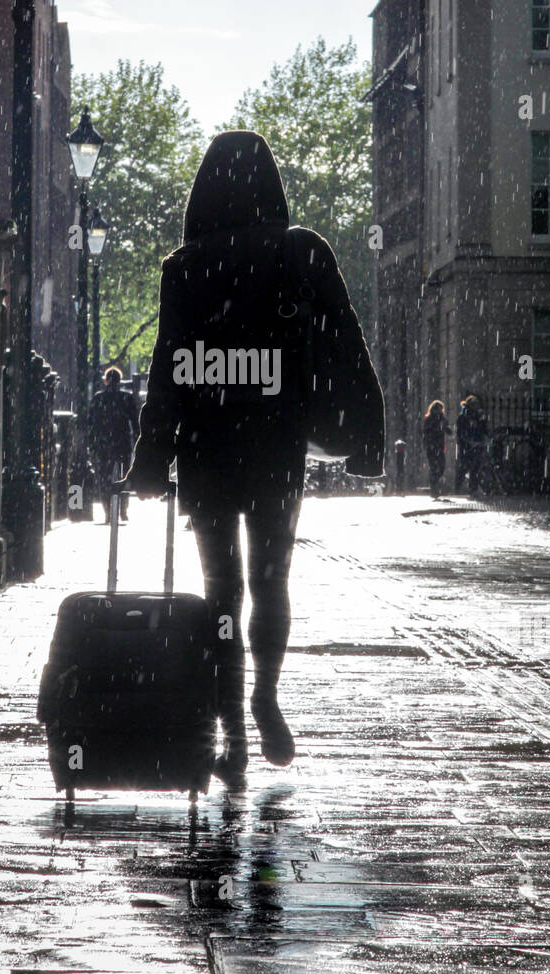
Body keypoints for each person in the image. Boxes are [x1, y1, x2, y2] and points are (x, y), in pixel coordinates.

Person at [121, 130, 383, 785]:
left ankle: (232, 730)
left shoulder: (185, 267)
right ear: (270, 185)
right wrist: (367, 435)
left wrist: (151, 460)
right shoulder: (302, 252)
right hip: (277, 444)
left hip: (208, 448)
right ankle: (267, 693)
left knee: (220, 593)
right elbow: (349, 345)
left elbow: (169, 372)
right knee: (272, 583)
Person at [88, 366, 139, 523]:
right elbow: (135, 422)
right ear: (119, 381)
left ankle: (108, 511)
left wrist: (91, 443)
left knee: (104, 478)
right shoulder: (127, 398)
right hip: (122, 442)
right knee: (124, 476)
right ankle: (123, 508)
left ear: (105, 380)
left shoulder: (98, 398)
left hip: (104, 444)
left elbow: (92, 423)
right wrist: (137, 439)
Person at [456, 394, 487, 495]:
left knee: (476, 468)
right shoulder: (463, 416)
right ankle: (458, 487)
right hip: (467, 446)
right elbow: (461, 432)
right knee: (465, 467)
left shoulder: (478, 416)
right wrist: (468, 441)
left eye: (477, 404)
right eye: (474, 404)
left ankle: (473, 488)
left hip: (476, 445)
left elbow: (482, 429)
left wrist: (482, 439)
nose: (477, 406)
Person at [423, 401, 451, 498]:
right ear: (434, 409)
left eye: (441, 409)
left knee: (441, 467)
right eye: (438, 409)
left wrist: (447, 429)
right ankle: (434, 488)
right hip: (432, 446)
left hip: (439, 446)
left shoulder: (442, 419)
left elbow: (447, 429)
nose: (440, 411)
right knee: (434, 467)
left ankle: (434, 484)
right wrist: (437, 429)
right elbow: (426, 431)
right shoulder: (429, 419)